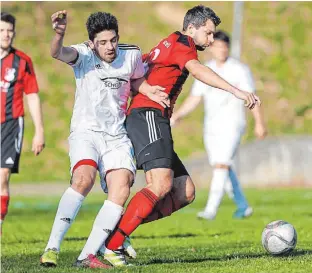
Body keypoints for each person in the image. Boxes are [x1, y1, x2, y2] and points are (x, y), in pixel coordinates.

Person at [100, 5, 261, 266]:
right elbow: (197, 70)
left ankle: (117, 229)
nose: (210, 40)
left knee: (184, 191)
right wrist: (236, 91)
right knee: (161, 184)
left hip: (152, 117)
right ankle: (112, 245)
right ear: (191, 28)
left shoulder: (168, 44)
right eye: (208, 34)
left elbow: (135, 78)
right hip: (148, 116)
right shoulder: (181, 42)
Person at [39, 10, 169, 269]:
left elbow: (136, 78)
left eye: (113, 40)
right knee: (83, 179)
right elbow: (57, 53)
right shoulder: (83, 55)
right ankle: (52, 247)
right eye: (103, 42)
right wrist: (59, 34)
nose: (110, 47)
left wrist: (148, 89)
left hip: (116, 136)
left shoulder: (131, 53)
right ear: (91, 43)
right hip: (86, 132)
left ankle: (86, 256)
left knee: (122, 187)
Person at [171, 30, 267, 220]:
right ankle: (243, 205)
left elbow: (251, 97)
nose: (221, 50)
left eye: (225, 47)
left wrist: (259, 122)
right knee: (222, 167)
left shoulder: (239, 69)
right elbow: (195, 98)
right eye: (217, 46)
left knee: (221, 165)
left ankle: (210, 210)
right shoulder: (205, 69)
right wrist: (178, 115)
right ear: (211, 47)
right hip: (211, 127)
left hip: (233, 125)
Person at [0, 12, 45, 234]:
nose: (6, 35)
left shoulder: (22, 62)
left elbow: (33, 95)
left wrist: (39, 131)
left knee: (3, 176)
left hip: (11, 124)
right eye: (1, 30)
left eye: (9, 30)